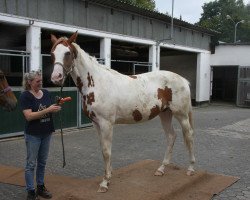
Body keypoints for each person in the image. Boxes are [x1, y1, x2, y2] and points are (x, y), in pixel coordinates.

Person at [19, 70, 61, 200]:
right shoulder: (25, 96)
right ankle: (31, 191)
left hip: (46, 132)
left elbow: (48, 110)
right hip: (33, 134)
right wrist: (48, 109)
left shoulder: (46, 93)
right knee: (31, 164)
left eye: (41, 80)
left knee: (42, 162)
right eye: (37, 81)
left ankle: (40, 186)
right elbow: (29, 116)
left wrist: (55, 107)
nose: (40, 83)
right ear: (30, 82)